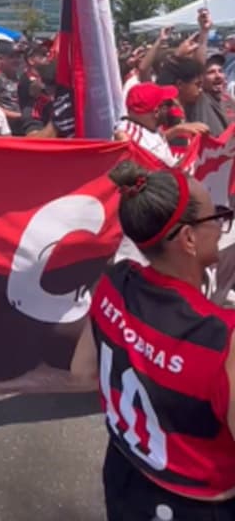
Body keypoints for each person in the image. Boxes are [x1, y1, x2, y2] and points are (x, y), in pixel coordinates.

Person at [71, 162, 235, 520]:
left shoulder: (114, 281)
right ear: (188, 239)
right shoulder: (221, 338)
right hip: (198, 505)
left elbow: (81, 373)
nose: (222, 227)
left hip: (125, 475)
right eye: (216, 217)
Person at [115, 83, 205, 166]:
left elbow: (153, 137)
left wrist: (178, 129)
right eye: (168, 104)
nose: (173, 106)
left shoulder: (147, 124)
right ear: (156, 111)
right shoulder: (130, 141)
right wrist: (194, 153)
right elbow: (171, 172)